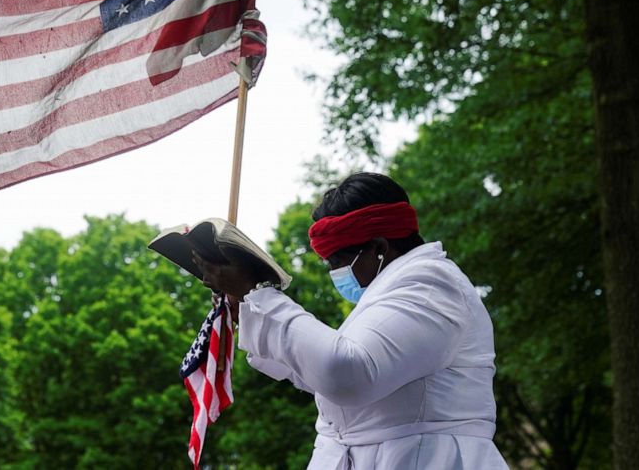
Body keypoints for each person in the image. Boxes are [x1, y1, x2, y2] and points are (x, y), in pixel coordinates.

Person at [194, 173, 508, 469]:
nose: (336, 274)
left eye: (340, 261)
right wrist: (247, 309)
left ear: (379, 248)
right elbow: (326, 380)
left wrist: (260, 295)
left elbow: (347, 375)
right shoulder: (390, 291)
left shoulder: (429, 286)